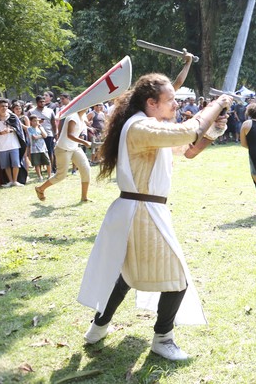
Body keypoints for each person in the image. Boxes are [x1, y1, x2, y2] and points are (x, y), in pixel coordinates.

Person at [77, 72, 232, 361]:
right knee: (178, 279)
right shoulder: (141, 128)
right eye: (170, 100)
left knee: (122, 274)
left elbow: (188, 148)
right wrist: (217, 104)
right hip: (141, 211)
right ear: (151, 102)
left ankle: (98, 328)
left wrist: (213, 129)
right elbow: (189, 131)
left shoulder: (151, 127)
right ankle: (163, 338)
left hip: (142, 210)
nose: (175, 105)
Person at [34, 107, 92, 201]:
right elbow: (70, 135)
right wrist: (85, 142)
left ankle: (84, 197)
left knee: (86, 169)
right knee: (61, 175)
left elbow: (84, 125)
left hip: (74, 147)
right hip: (63, 148)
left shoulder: (83, 115)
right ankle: (40, 189)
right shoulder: (73, 117)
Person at [0, 98, 27, 186]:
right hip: (1, 145)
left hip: (14, 144)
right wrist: (1, 133)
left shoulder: (13, 117)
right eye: (2, 106)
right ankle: (10, 180)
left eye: (6, 106)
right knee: (5, 165)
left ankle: (15, 180)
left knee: (16, 163)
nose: (4, 108)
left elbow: (18, 128)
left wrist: (11, 129)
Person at [28, 115, 52, 181]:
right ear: (31, 122)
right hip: (34, 149)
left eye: (37, 121)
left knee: (47, 162)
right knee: (37, 163)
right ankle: (40, 177)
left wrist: (40, 128)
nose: (36, 122)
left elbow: (45, 135)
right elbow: (34, 137)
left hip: (43, 147)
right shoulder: (29, 129)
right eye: (34, 121)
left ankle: (49, 175)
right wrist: (41, 135)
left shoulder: (40, 127)